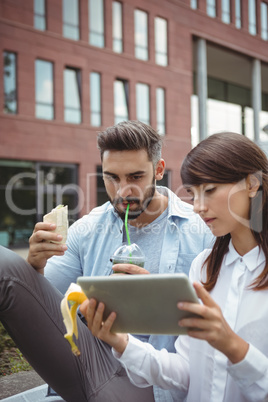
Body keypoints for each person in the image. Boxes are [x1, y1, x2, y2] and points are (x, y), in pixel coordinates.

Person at [0, 120, 213, 402]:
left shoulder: (201, 230)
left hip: (158, 379)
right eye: (112, 177)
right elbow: (45, 310)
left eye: (135, 177)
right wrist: (35, 267)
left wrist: (157, 300)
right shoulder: (86, 230)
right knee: (5, 265)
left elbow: (224, 320)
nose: (123, 190)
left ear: (159, 170)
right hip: (91, 361)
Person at [82, 132, 268, 402]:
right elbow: (185, 372)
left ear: (252, 184)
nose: (198, 207)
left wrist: (233, 347)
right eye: (193, 194)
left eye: (210, 190)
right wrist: (120, 341)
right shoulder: (203, 267)